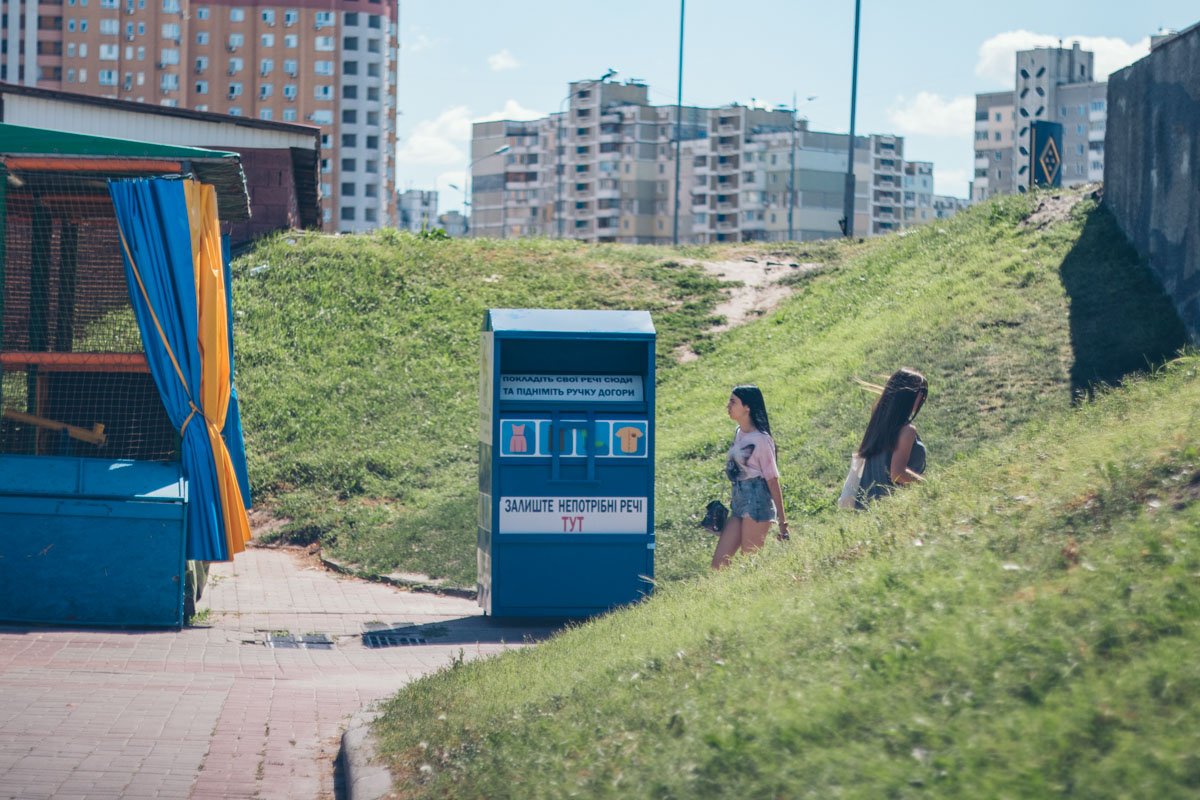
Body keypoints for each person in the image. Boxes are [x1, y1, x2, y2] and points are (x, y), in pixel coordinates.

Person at [712, 385, 788, 569]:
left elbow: (772, 479)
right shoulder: (739, 433)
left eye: (733, 402)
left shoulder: (762, 440)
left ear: (747, 407)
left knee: (750, 563)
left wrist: (783, 523)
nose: (728, 406)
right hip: (739, 503)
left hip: (757, 503)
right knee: (718, 565)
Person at [855, 368, 928, 509]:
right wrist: (927, 485)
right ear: (908, 395)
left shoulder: (878, 423)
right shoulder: (907, 431)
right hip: (897, 507)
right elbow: (897, 473)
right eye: (922, 393)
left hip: (869, 509)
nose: (923, 399)